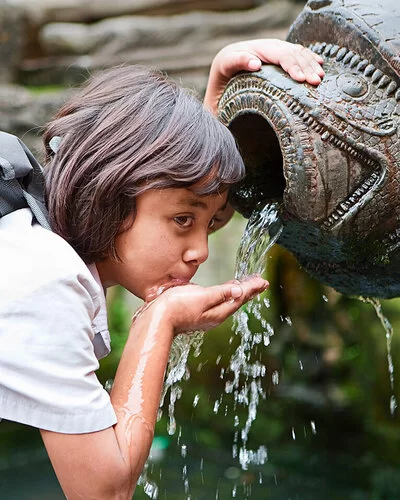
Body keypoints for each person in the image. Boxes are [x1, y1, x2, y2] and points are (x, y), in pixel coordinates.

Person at [0, 39, 324, 498]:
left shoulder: (27, 224)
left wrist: (217, 99)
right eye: (183, 222)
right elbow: (102, 492)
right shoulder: (45, 277)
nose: (201, 252)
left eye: (208, 224)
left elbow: (176, 196)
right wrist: (160, 320)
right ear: (108, 195)